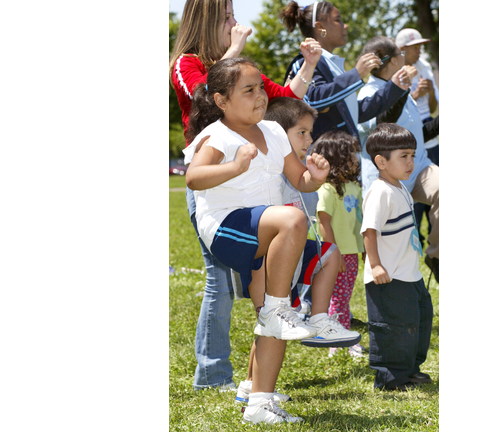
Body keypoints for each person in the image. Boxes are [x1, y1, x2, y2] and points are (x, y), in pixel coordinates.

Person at [169, 0, 323, 391]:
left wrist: (307, 65)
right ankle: (213, 374)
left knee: (271, 299)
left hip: (260, 202)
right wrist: (231, 56)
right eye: (228, 17)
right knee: (220, 282)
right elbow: (205, 98)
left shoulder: (259, 107)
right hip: (221, 194)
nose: (237, 24)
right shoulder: (188, 64)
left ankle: (256, 392)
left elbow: (284, 100)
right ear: (206, 21)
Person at [184, 57, 336, 424]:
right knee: (291, 226)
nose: (260, 96)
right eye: (248, 90)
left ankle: (259, 402)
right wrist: (235, 166)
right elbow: (193, 177)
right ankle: (278, 308)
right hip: (226, 227)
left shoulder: (272, 131)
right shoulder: (217, 135)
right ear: (221, 101)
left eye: (261, 88)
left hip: (268, 230)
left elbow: (299, 180)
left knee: (278, 310)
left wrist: (314, 177)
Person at [233, 97, 361, 406]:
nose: (309, 140)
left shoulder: (299, 171)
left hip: (290, 259)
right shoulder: (269, 172)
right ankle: (254, 387)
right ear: (277, 135)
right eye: (301, 133)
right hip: (266, 262)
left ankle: (318, 320)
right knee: (269, 324)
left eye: (310, 132)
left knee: (274, 321)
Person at [356, 36, 439, 284]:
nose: (406, 59)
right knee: (389, 249)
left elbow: (416, 137)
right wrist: (401, 89)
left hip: (419, 167)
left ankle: (437, 256)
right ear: (394, 60)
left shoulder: (402, 91)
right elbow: (382, 127)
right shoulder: (368, 93)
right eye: (401, 55)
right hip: (387, 179)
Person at [361, 123, 435, 391]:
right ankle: (390, 378)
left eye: (412, 156)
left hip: (409, 272)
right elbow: (369, 231)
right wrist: (376, 265)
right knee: (393, 327)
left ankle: (410, 369)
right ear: (381, 161)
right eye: (403, 156)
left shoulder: (400, 186)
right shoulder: (380, 192)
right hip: (389, 276)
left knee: (419, 319)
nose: (410, 162)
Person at [279, 1, 413, 142]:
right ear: (320, 27)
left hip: (345, 155)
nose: (345, 25)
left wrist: (395, 87)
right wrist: (356, 74)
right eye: (338, 20)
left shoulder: (332, 64)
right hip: (322, 159)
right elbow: (313, 101)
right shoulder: (305, 63)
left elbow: (356, 113)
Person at [309, 131, 366, 358]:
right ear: (336, 157)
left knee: (343, 297)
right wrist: (335, 254)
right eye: (350, 153)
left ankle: (341, 336)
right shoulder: (327, 189)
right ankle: (337, 341)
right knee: (338, 299)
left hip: (351, 252)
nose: (356, 158)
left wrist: (362, 249)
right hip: (338, 254)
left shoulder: (353, 187)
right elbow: (324, 223)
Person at [396, 28, 440, 249]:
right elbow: (393, 112)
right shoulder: (396, 72)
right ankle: (416, 247)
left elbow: (433, 109)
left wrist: (431, 93)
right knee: (413, 208)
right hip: (408, 139)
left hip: (431, 140)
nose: (419, 50)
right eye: (415, 46)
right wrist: (415, 95)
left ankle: (435, 251)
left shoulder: (424, 67)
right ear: (402, 50)